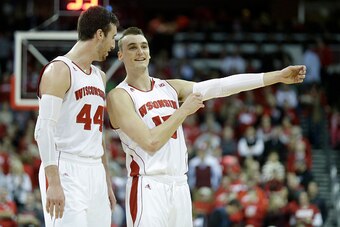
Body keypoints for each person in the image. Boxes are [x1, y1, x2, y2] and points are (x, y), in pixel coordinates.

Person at [106, 26, 306, 227]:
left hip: (180, 185)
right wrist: (183, 111)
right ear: (121, 55)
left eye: (144, 46)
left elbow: (221, 85)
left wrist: (277, 76)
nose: (140, 52)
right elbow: (151, 142)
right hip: (147, 185)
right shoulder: (119, 96)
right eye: (132, 47)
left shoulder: (170, 87)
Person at [34, 6, 119, 227]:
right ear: (99, 34)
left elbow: (97, 134)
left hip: (95, 171)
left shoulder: (100, 76)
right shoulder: (59, 70)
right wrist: (53, 181)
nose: (113, 45)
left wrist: (106, 181)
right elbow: (43, 130)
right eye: (112, 37)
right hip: (65, 167)